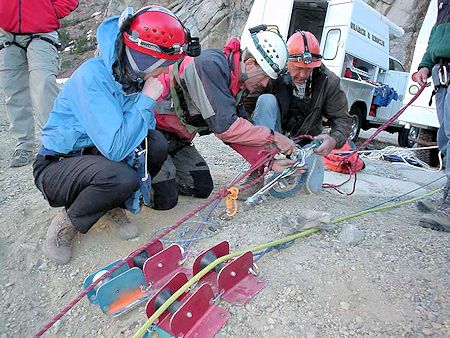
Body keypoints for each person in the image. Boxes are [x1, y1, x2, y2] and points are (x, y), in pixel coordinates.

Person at [33, 5, 200, 265]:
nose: (166, 72)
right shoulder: (92, 78)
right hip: (58, 166)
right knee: (120, 176)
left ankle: (111, 204)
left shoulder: (129, 75)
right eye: (165, 65)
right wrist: (146, 99)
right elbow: (116, 148)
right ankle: (67, 223)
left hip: (94, 157)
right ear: (146, 59)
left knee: (154, 144)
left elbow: (143, 132)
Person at [151, 25, 298, 209]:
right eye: (265, 76)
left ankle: (163, 168)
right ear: (251, 63)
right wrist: (274, 136)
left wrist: (269, 162)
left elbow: (241, 130)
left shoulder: (234, 80)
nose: (265, 83)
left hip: (175, 141)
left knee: (201, 187)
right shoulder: (210, 65)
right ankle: (138, 179)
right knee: (165, 199)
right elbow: (226, 128)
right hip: (151, 134)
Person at [243, 30, 352, 193]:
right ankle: (259, 169)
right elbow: (247, 105)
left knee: (312, 189)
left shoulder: (329, 81)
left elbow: (343, 119)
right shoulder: (273, 73)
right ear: (287, 62)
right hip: (275, 134)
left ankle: (291, 169)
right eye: (298, 68)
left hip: (306, 143)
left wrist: (334, 140)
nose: (303, 74)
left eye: (309, 69)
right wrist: (258, 136)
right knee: (266, 101)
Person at [0, 0, 79, 167]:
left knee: (44, 85)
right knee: (13, 90)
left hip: (42, 30)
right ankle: (24, 145)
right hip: (5, 31)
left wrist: (48, 12)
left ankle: (54, 142)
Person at [413, 0, 450, 232]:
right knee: (445, 140)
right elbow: (436, 39)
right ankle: (448, 198)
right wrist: (425, 65)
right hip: (442, 76)